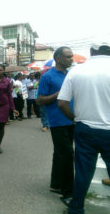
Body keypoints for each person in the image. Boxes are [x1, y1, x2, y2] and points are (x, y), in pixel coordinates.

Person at [57, 40, 110, 214]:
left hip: (85, 128)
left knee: (83, 172)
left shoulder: (76, 70)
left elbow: (62, 103)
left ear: (92, 51)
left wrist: (74, 118)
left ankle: (76, 208)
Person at [37, 46, 74, 206]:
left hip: (72, 120)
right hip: (58, 122)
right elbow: (39, 100)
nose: (71, 59)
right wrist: (57, 95)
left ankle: (55, 184)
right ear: (58, 58)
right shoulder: (48, 76)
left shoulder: (70, 75)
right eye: (68, 56)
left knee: (59, 154)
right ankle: (69, 192)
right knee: (67, 155)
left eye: (71, 56)